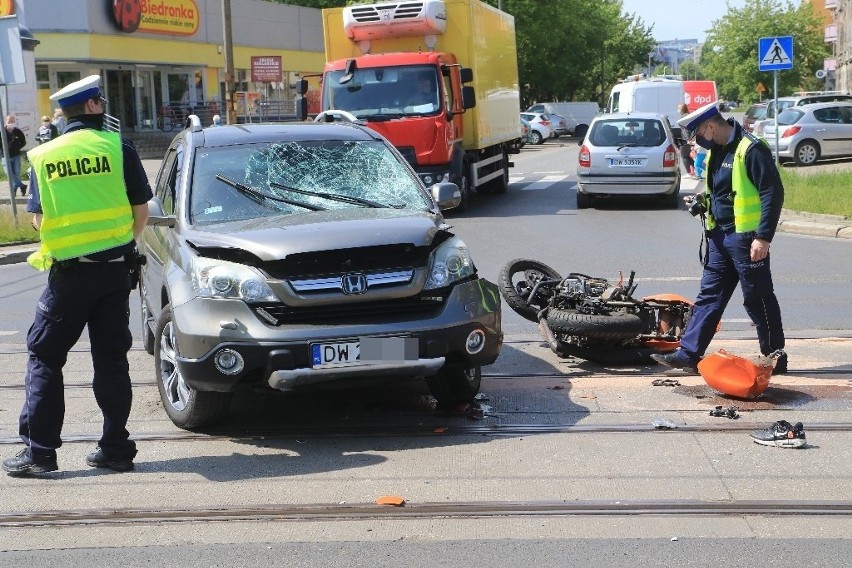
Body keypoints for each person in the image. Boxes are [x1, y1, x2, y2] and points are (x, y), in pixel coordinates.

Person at [1, 75, 153, 477]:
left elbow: (37, 222)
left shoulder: (45, 155)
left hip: (69, 277)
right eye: (101, 101)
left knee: (45, 357)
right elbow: (142, 211)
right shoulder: (119, 148)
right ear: (91, 107)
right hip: (116, 273)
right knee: (111, 361)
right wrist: (120, 245)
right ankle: (116, 449)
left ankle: (40, 454)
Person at [651, 101, 787, 375]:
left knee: (757, 297)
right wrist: (702, 200)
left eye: (698, 135)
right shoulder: (716, 151)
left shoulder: (750, 148)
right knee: (709, 296)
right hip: (719, 236)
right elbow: (724, 191)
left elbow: (772, 193)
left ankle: (774, 355)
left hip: (746, 239)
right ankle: (689, 354)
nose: (698, 142)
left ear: (710, 126)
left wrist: (763, 237)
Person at [3, 114, 28, 196]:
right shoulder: (2, 131)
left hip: (16, 156)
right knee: (9, 174)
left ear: (14, 122)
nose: (10, 123)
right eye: (9, 121)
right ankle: (22, 186)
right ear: (6, 122)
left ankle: (14, 191)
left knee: (16, 174)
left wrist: (17, 148)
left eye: (12, 121)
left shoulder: (18, 131)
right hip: (5, 156)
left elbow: (23, 142)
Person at [676, 103, 695, 178]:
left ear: (683, 108)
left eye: (679, 108)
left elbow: (686, 129)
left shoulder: (685, 116)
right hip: (688, 138)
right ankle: (694, 170)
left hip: (686, 138)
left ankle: (689, 172)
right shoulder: (687, 115)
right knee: (688, 156)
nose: (678, 109)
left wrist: (687, 139)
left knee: (684, 156)